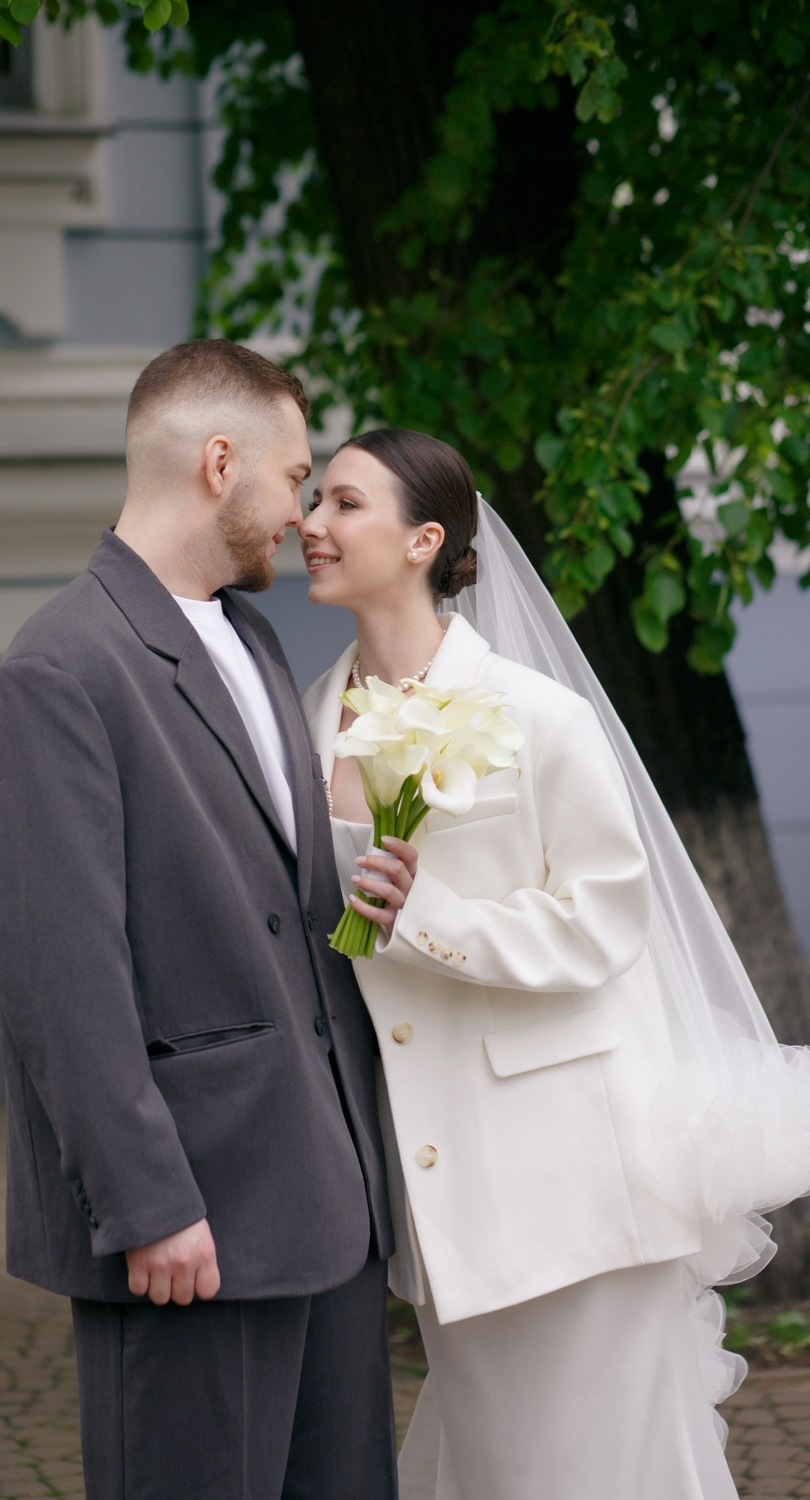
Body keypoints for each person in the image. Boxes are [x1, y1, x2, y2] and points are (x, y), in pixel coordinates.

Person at [299, 426, 810, 1500]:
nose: (311, 525)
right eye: (312, 501)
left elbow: (601, 926)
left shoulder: (538, 718)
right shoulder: (304, 722)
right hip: (436, 1191)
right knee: (500, 1466)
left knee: (608, 1469)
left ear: (422, 538)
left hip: (569, 1177)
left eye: (344, 504)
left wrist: (427, 917)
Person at [0, 340, 398, 1500]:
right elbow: (56, 971)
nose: (302, 512)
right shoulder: (57, 672)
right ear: (221, 463)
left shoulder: (251, 639)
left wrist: (370, 914)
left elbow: (279, 922)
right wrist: (146, 1203)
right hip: (189, 1229)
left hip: (327, 1200)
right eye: (293, 474)